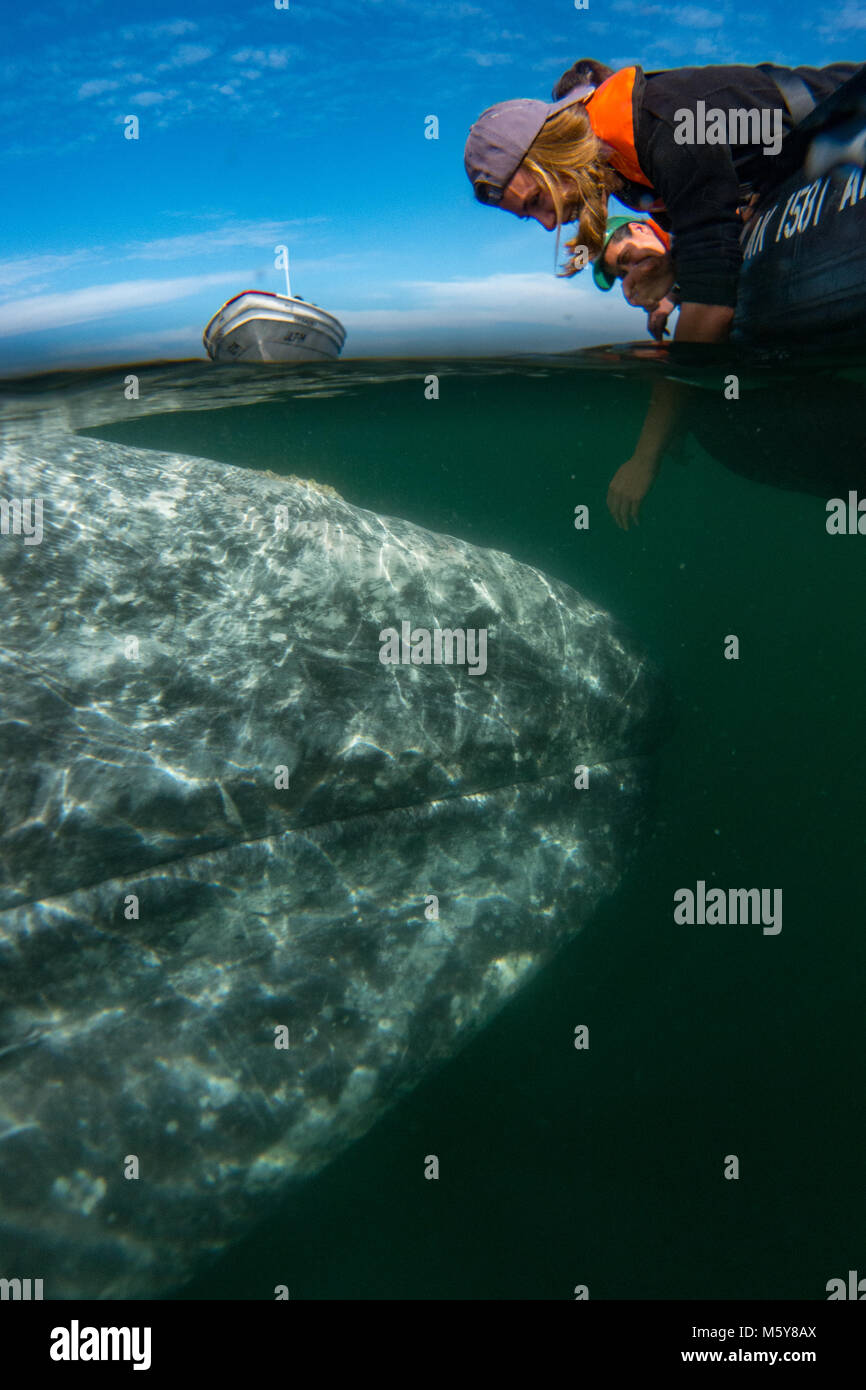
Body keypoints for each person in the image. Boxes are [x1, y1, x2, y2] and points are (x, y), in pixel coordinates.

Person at [464, 58, 863, 528]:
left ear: (551, 152)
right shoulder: (631, 175)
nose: (548, 222)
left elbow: (712, 310)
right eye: (529, 216)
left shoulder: (669, 128)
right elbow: (715, 227)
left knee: (723, 424)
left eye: (535, 202)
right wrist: (673, 272)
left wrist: (645, 456)